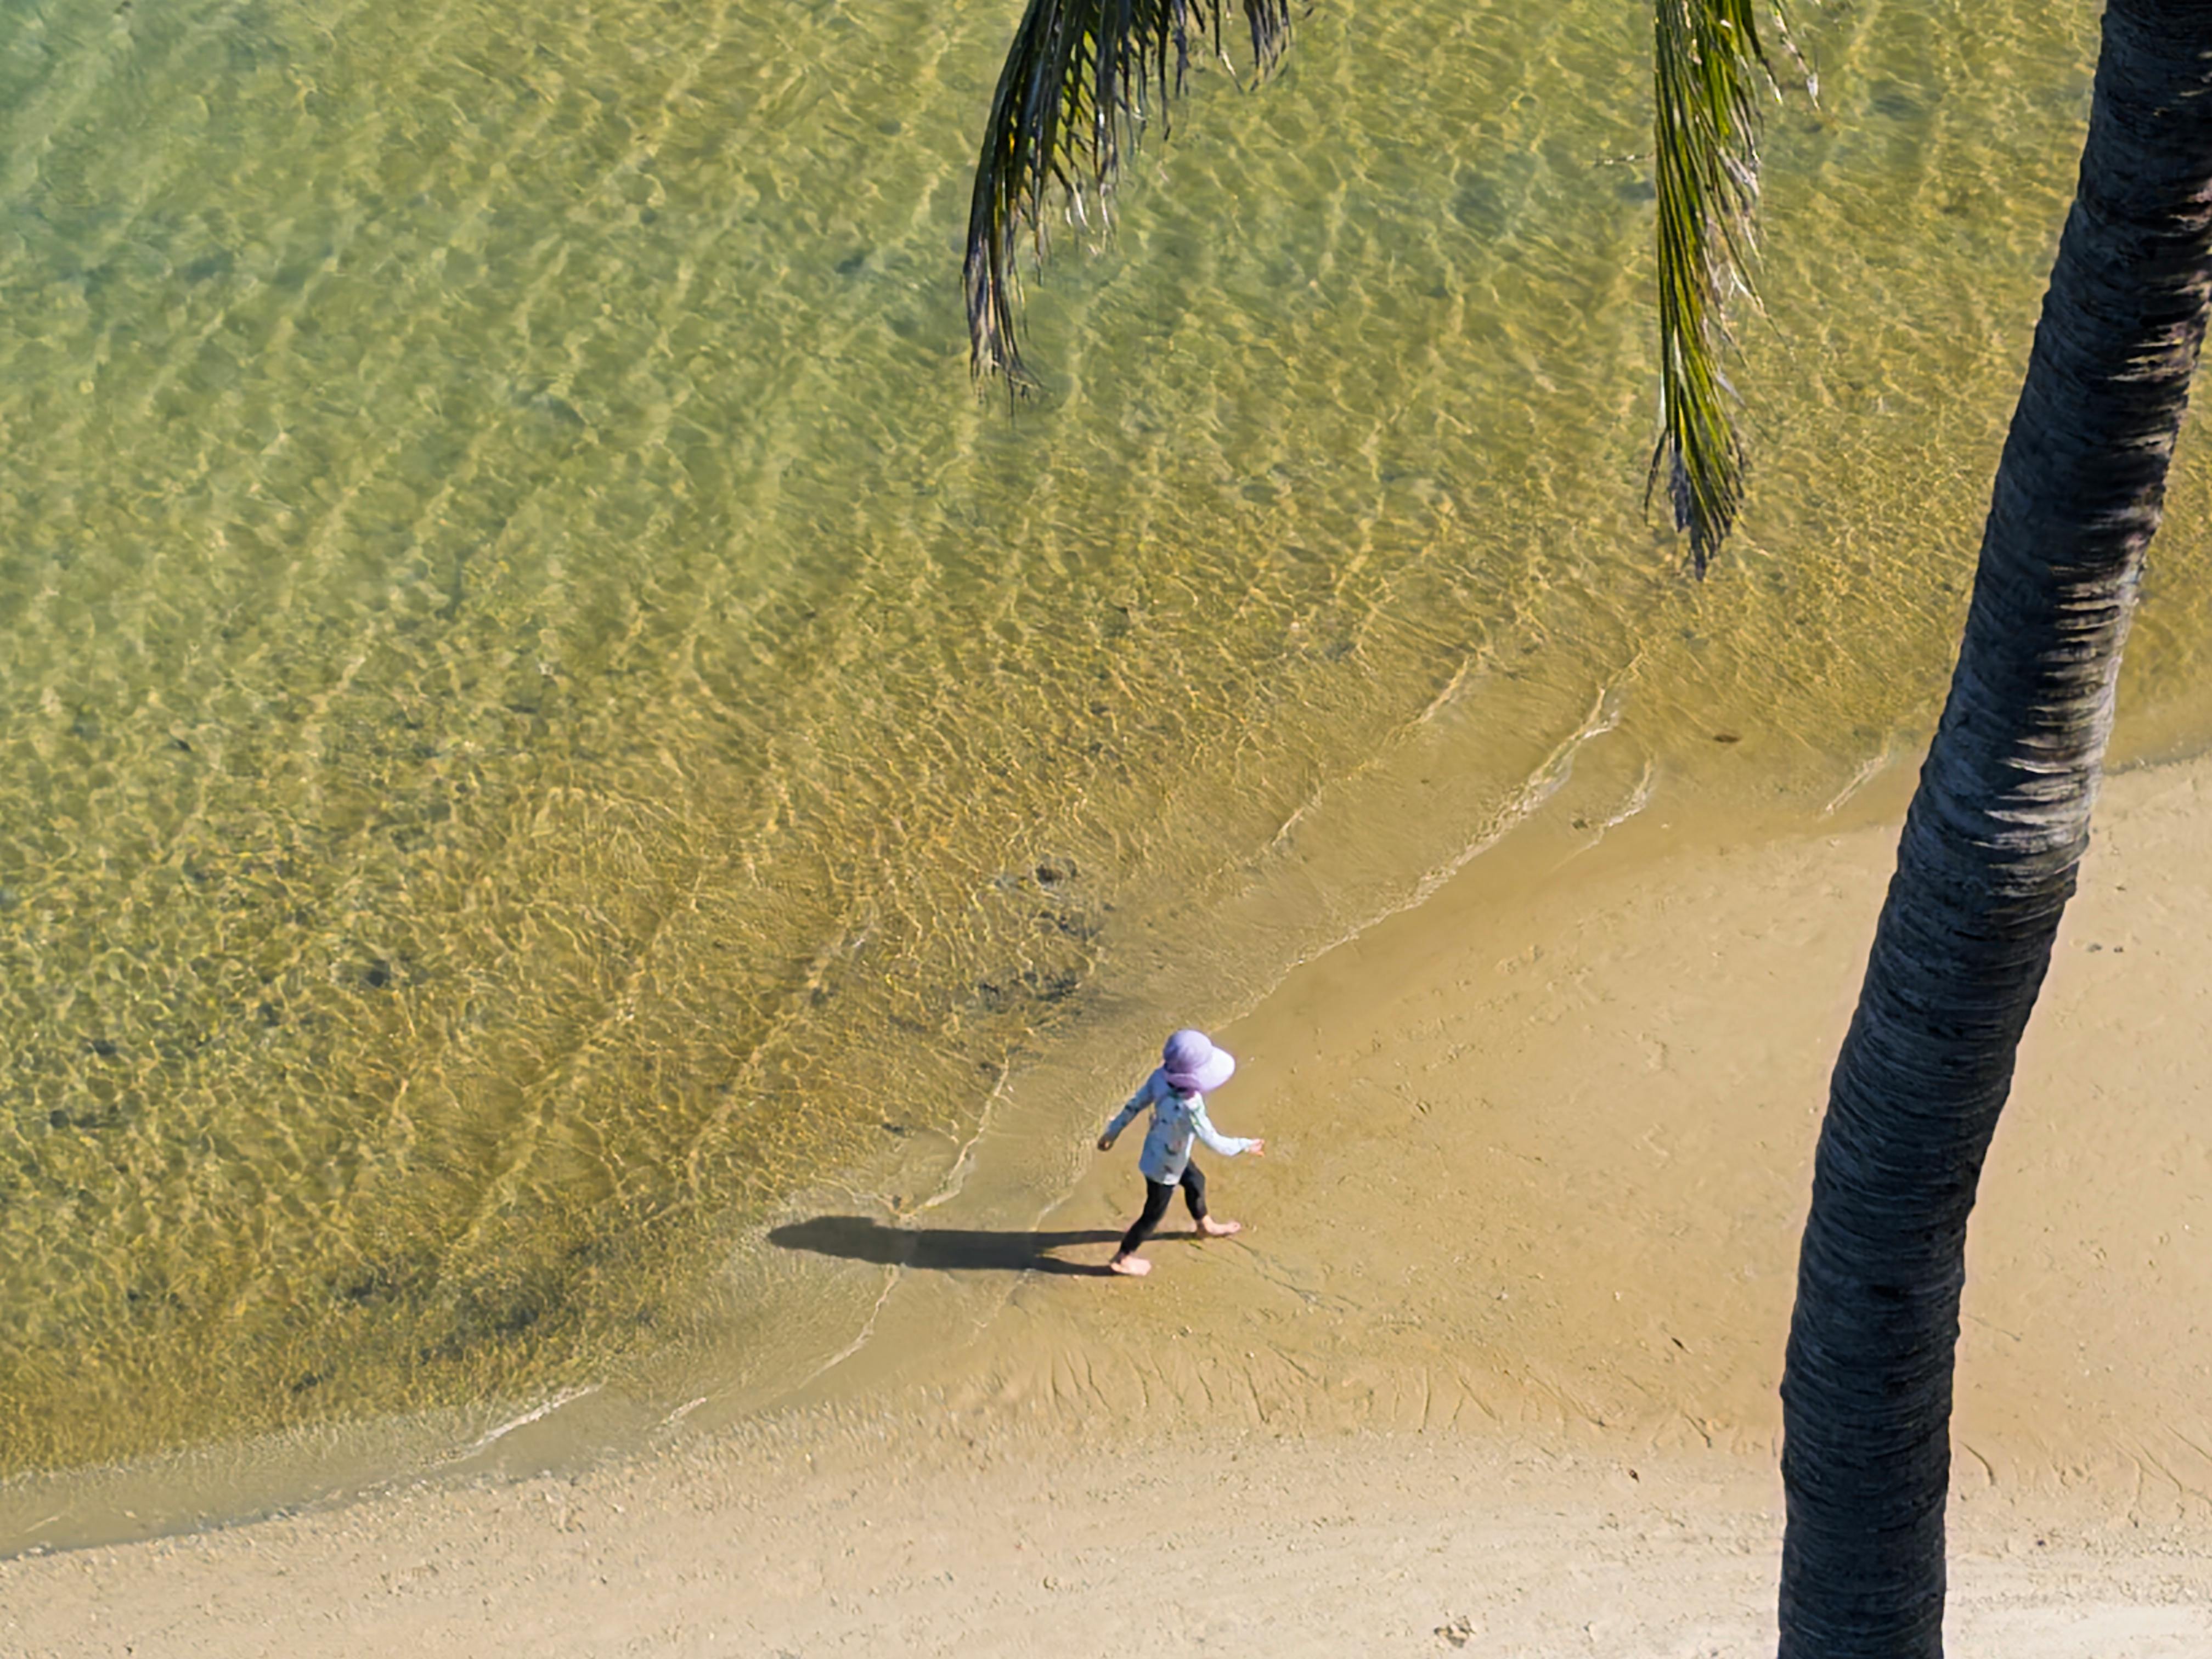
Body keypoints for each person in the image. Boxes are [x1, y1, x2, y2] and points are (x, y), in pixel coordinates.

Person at [1095, 1028, 1265, 1278]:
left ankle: (1204, 1225)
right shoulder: (1192, 1106)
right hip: (1164, 1168)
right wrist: (1244, 1145)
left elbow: (1134, 1105)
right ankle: (1123, 1257)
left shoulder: (1159, 1078)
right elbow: (1213, 1141)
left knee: (1196, 1180)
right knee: (1152, 1216)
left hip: (1161, 1150)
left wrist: (1113, 1133)